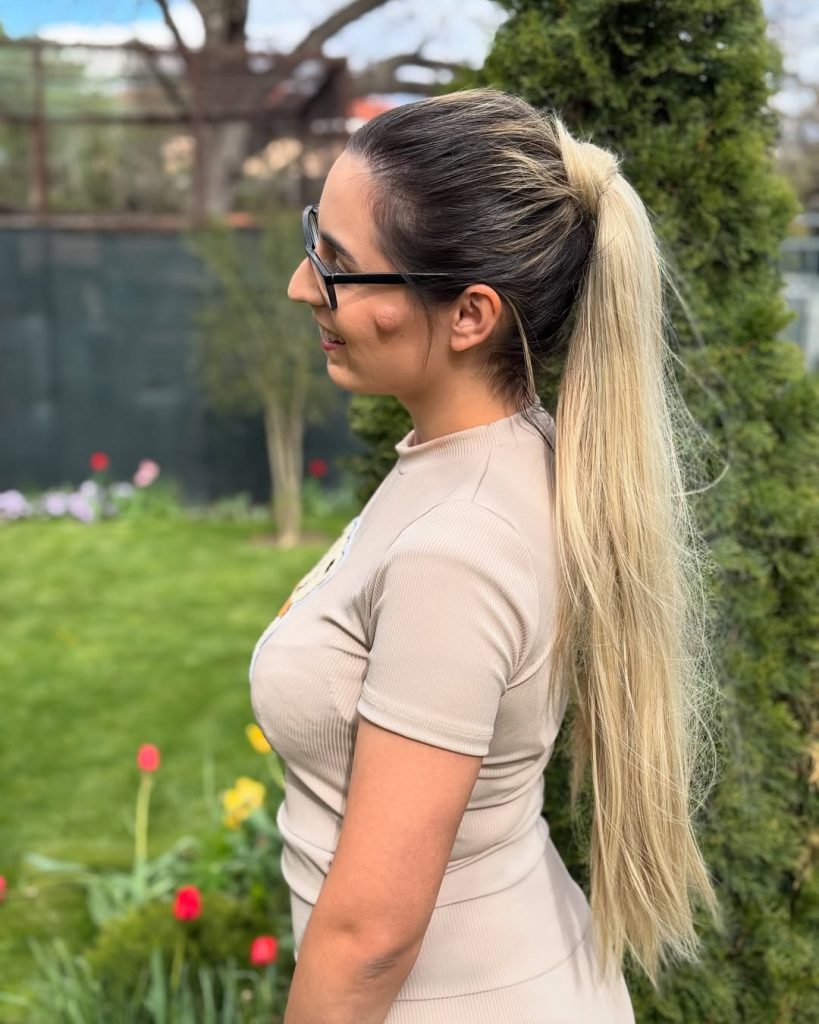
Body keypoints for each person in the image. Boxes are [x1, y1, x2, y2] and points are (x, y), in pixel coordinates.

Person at [249, 87, 723, 1023]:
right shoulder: (490, 459)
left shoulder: (458, 548)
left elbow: (370, 939)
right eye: (315, 241)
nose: (303, 286)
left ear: (469, 315)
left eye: (338, 265)